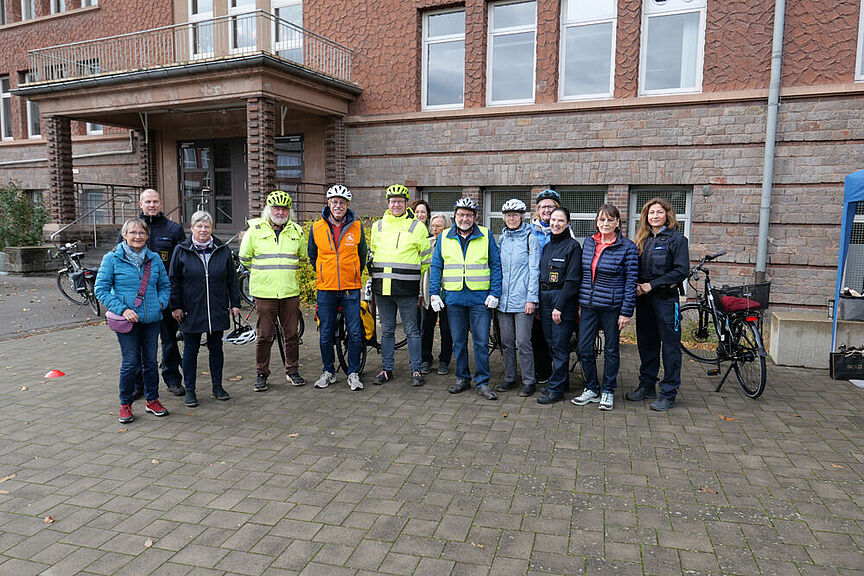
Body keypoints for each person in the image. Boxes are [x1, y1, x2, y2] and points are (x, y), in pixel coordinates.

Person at [95, 218, 172, 423]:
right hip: (127, 322)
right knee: (130, 363)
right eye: (133, 232)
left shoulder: (154, 259)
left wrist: (160, 304)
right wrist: (123, 309)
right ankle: (125, 404)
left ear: (147, 236)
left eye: (141, 233)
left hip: (152, 320)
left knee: (150, 362)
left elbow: (165, 286)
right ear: (124, 235)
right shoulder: (112, 259)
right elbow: (100, 290)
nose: (137, 236)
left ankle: (152, 400)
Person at [429, 197, 503, 400]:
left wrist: (495, 292)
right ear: (455, 216)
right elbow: (437, 266)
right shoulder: (445, 237)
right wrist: (434, 293)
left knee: (481, 342)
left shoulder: (486, 235)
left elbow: (495, 265)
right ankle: (462, 378)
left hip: (480, 299)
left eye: (469, 215)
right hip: (454, 298)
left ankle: (482, 382)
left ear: (475, 217)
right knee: (458, 342)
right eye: (461, 214)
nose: (465, 218)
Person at [169, 211, 242, 407]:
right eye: (199, 226)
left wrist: (235, 303)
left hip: (216, 307)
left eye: (206, 226)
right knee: (190, 351)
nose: (203, 230)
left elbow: (232, 279)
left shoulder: (222, 249)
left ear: (211, 228)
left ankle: (217, 387)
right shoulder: (181, 250)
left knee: (216, 349)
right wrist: (175, 306)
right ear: (192, 228)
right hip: (190, 309)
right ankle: (190, 390)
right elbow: (174, 280)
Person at [118, 188, 186, 398]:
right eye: (147, 202)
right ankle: (138, 384)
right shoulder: (132, 229)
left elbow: (181, 266)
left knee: (169, 341)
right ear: (140, 204)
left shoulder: (174, 229)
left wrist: (176, 301)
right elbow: (120, 264)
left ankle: (172, 379)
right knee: (138, 344)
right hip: (137, 300)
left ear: (161, 203)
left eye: (155, 201)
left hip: (165, 298)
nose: (152, 205)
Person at [571, 204, 638, 411]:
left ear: (618, 222)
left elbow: (631, 282)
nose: (605, 223)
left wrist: (626, 312)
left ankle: (608, 390)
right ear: (596, 222)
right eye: (602, 219)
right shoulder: (589, 242)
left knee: (611, 350)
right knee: (584, 348)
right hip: (589, 306)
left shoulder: (627, 247)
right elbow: (583, 275)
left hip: (612, 307)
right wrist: (580, 303)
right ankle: (591, 388)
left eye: (610, 219)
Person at [238, 190, 307, 392]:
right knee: (264, 336)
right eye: (276, 208)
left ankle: (292, 371)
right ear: (269, 210)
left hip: (289, 292)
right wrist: (263, 275)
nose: (280, 212)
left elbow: (302, 258)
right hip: (265, 293)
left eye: (284, 209)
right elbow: (245, 258)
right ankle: (262, 374)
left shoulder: (296, 231)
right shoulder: (255, 230)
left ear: (289, 211)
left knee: (291, 335)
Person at [627, 198, 690, 411]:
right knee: (646, 344)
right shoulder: (641, 239)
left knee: (670, 348)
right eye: (651, 213)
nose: (655, 216)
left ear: (667, 215)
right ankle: (647, 386)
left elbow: (681, 271)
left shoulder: (677, 240)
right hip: (644, 301)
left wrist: (651, 285)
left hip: (666, 300)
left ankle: (668, 393)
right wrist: (636, 285)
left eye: (659, 212)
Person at [369, 184, 431, 387]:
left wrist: (412, 279)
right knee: (387, 331)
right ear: (388, 203)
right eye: (393, 201)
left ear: (406, 204)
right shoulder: (377, 226)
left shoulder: (417, 226)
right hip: (382, 288)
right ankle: (387, 369)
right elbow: (373, 255)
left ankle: (416, 369)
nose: (396, 205)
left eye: (400, 202)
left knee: (412, 330)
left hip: (406, 289)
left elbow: (426, 259)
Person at [308, 184, 368, 392]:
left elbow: (362, 255)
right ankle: (328, 372)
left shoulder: (357, 227)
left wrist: (352, 273)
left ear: (347, 205)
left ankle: (353, 373)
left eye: (342, 202)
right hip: (326, 288)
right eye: (335, 202)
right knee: (325, 333)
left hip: (351, 288)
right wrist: (325, 272)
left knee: (355, 332)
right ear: (328, 203)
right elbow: (312, 256)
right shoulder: (316, 228)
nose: (338, 206)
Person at [494, 199, 541, 397]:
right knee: (506, 342)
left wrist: (532, 299)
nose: (511, 218)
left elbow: (534, 270)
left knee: (523, 342)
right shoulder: (503, 239)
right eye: (508, 215)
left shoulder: (531, 238)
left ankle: (529, 381)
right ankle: (510, 378)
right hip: (503, 300)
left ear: (522, 216)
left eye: (515, 215)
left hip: (523, 300)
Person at [536, 207, 582, 404]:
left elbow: (572, 280)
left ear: (567, 223)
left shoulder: (573, 247)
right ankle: (561, 383)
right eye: (553, 220)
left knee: (560, 346)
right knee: (551, 345)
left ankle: (556, 391)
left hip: (562, 300)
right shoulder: (547, 247)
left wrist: (559, 307)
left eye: (560, 220)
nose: (556, 224)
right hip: (545, 298)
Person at [528, 189, 562, 388]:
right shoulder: (529, 230)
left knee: (553, 333)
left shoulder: (564, 230)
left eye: (551, 206)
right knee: (536, 332)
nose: (547, 210)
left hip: (554, 289)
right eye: (543, 207)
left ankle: (556, 372)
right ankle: (541, 369)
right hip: (534, 286)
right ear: (538, 209)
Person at [420, 214, 453, 375]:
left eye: (438, 226)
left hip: (447, 291)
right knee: (426, 327)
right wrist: (421, 293)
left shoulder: (452, 244)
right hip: (429, 292)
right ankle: (425, 359)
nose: (435, 229)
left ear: (447, 227)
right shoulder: (427, 244)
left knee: (447, 329)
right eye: (433, 226)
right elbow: (421, 270)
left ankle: (444, 360)